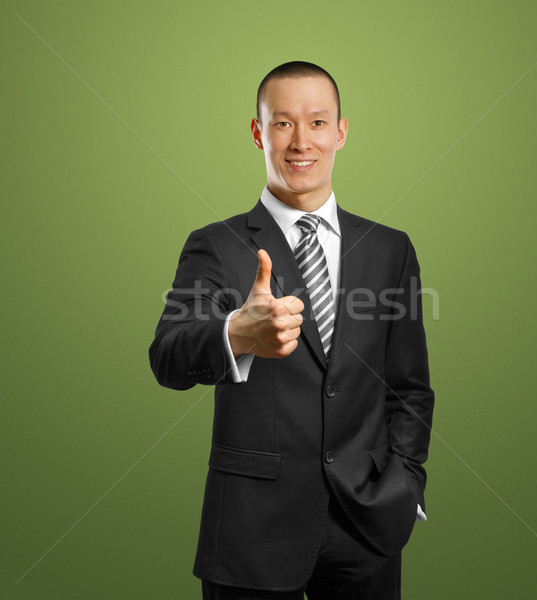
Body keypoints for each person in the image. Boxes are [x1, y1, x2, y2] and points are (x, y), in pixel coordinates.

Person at [149, 61, 435, 599]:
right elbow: (166, 356)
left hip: (368, 525)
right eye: (282, 123)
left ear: (341, 132)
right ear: (257, 132)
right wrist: (236, 332)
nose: (301, 141)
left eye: (318, 122)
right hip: (251, 530)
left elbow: (410, 386)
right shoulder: (215, 244)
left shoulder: (390, 248)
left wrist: (406, 486)